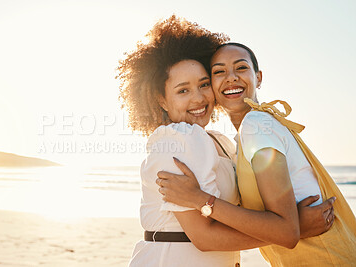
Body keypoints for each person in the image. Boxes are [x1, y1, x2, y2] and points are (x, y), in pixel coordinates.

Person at [118, 16, 334, 267]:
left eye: (204, 84)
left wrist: (288, 224)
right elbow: (204, 237)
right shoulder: (174, 141)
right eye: (183, 90)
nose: (198, 98)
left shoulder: (220, 141)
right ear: (162, 100)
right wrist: (292, 230)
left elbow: (236, 215)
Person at [157, 42, 356, 266]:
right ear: (212, 85)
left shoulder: (256, 125)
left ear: (258, 78)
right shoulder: (248, 134)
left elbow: (286, 231)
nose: (230, 78)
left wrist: (199, 199)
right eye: (219, 71)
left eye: (241, 68)